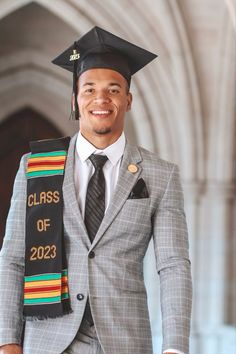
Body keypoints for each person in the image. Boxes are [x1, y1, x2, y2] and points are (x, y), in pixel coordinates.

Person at [0, 26, 192, 354]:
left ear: (127, 100)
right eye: (89, 89)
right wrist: (7, 341)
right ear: (75, 100)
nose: (101, 99)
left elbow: (173, 264)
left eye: (113, 90)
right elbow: (14, 258)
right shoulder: (36, 166)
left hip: (124, 340)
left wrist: (174, 346)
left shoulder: (161, 175)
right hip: (47, 340)